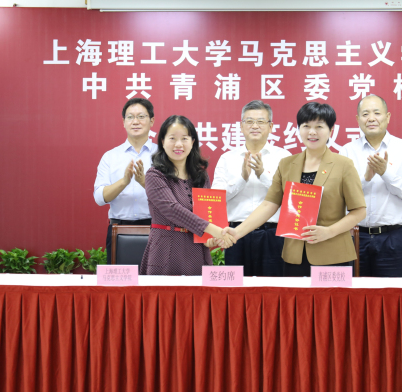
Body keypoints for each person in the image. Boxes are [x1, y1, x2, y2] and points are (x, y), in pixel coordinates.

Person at [218, 102, 366, 276]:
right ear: (298, 129)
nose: (312, 132)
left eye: (319, 126)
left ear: (331, 131)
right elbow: (269, 205)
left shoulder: (343, 165)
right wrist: (237, 232)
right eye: (306, 126)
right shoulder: (287, 164)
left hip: (333, 254)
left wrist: (329, 232)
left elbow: (359, 211)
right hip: (294, 256)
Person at [339, 94, 402, 277]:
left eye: (377, 113)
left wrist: (386, 173)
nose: (371, 118)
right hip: (355, 237)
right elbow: (340, 195)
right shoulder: (347, 151)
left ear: (388, 117)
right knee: (355, 293)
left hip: (392, 238)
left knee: (392, 292)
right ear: (358, 119)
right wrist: (366, 178)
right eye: (365, 114)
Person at [212, 100, 291, 276]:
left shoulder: (284, 157)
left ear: (271, 127)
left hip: (272, 235)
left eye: (261, 121)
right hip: (235, 235)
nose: (255, 126)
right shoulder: (227, 158)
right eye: (249, 121)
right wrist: (242, 178)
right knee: (236, 290)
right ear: (241, 126)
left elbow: (290, 197)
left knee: (272, 288)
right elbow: (216, 199)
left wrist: (262, 174)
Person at [139, 115, 225, 276]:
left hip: (197, 251)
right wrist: (214, 230)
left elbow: (207, 215)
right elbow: (172, 210)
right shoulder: (154, 175)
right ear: (162, 141)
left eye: (184, 138)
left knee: (199, 292)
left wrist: (210, 238)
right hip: (166, 250)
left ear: (192, 142)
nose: (178, 144)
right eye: (172, 138)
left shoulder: (201, 176)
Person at [94, 98, 156, 264]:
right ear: (123, 122)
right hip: (118, 230)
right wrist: (124, 182)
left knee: (156, 279)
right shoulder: (110, 156)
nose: (135, 121)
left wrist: (144, 182)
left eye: (141, 116)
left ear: (151, 121)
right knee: (119, 280)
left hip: (157, 229)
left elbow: (173, 196)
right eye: (130, 117)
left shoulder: (163, 155)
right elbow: (99, 198)